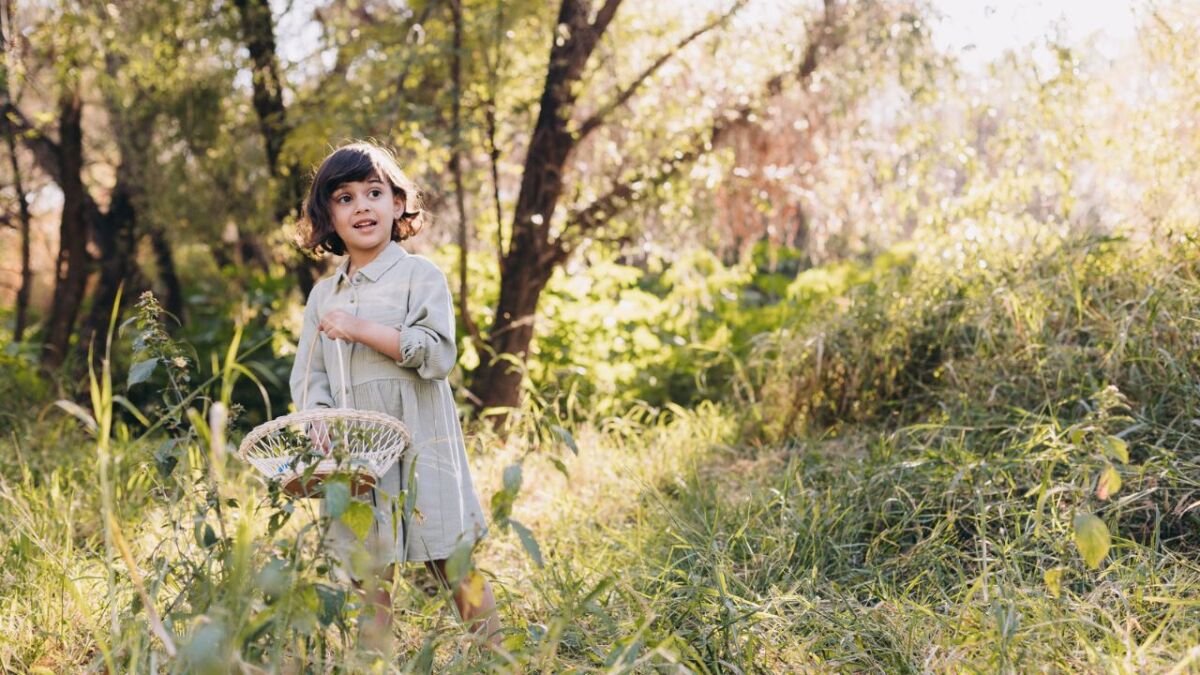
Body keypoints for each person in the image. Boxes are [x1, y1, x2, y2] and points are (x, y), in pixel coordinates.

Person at [288, 141, 498, 649]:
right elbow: (309, 375)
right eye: (344, 197)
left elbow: (437, 354)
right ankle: (374, 662)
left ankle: (502, 658)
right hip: (356, 451)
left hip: (423, 441)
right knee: (367, 569)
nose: (362, 206)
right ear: (328, 218)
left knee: (452, 557)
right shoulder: (323, 295)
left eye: (374, 192)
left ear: (398, 203)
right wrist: (316, 418)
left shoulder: (418, 276)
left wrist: (361, 328)